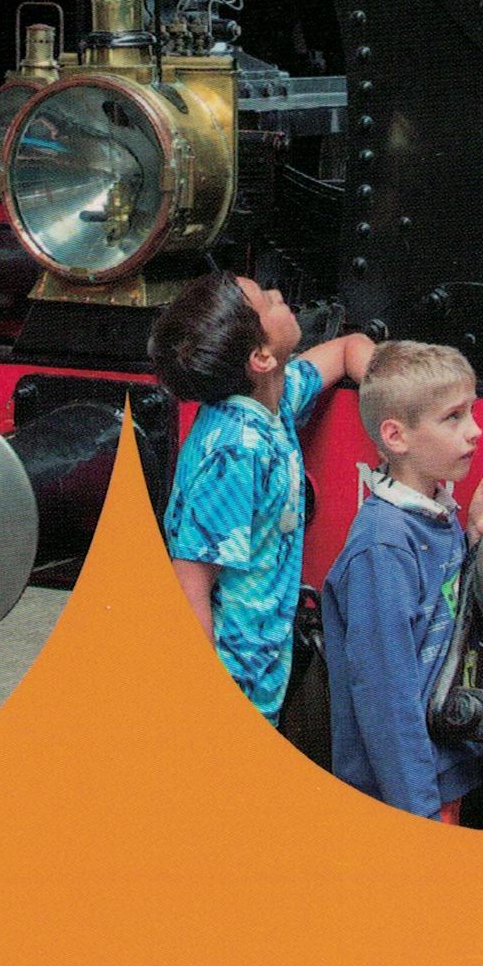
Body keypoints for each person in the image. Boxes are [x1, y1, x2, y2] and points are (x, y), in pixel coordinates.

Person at [149, 270, 374, 726]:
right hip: (231, 683)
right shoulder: (235, 451)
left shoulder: (273, 399)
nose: (277, 294)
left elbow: (346, 347)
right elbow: (190, 584)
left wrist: (394, 390)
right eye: (267, 302)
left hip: (260, 667)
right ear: (261, 357)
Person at [321, 341, 483, 821]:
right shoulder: (384, 546)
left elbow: (443, 615)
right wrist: (417, 812)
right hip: (406, 794)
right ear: (396, 436)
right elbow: (386, 696)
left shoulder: (433, 520)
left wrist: (475, 537)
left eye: (471, 411)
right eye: (453, 417)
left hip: (437, 774)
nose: (475, 431)